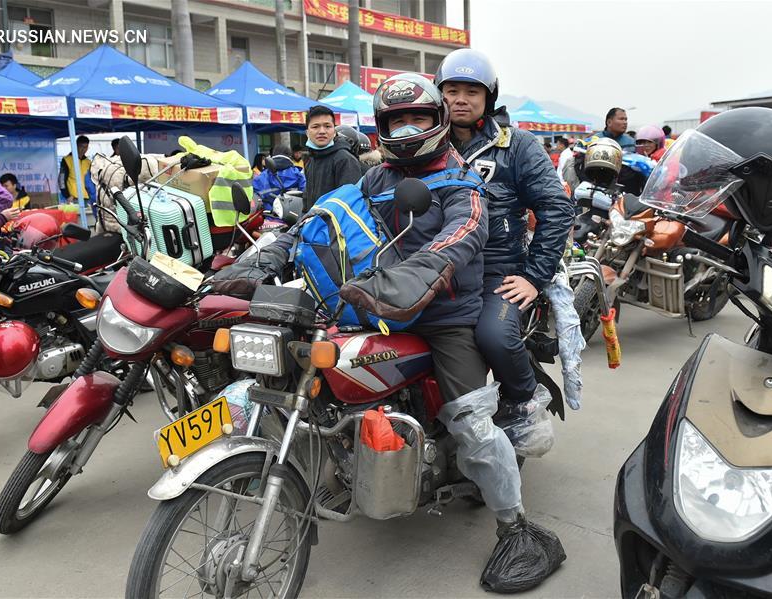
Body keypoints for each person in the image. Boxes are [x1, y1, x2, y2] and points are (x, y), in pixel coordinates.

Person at [245, 72, 563, 592]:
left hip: (443, 320)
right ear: (382, 126)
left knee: (473, 425)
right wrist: (263, 260)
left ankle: (515, 525)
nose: (409, 127)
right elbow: (320, 218)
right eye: (398, 119)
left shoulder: (464, 184)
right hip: (371, 306)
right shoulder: (374, 179)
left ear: (437, 121)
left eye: (418, 116)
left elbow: (459, 237)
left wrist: (404, 282)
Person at [437, 48, 574, 425]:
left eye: (471, 92)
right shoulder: (425, 143)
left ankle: (523, 406)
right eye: (451, 91)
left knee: (495, 338)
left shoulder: (517, 146)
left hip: (495, 275)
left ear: (488, 98)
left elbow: (557, 208)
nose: (460, 100)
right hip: (434, 272)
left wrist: (534, 276)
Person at [301, 105, 361, 211]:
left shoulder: (344, 159)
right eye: (315, 127)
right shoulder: (310, 160)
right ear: (307, 133)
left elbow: (350, 204)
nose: (322, 131)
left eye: (327, 126)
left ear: (334, 131)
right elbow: (306, 201)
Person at [251, 144, 306, 211]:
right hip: (293, 216)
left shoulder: (261, 176)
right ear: (290, 156)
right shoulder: (298, 174)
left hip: (269, 218)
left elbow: (256, 200)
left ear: (273, 155)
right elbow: (305, 196)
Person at [59, 135, 96, 214]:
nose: (83, 150)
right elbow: (61, 180)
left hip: (87, 198)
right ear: (76, 146)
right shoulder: (66, 160)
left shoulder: (88, 162)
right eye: (81, 147)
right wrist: (67, 195)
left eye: (86, 147)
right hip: (73, 198)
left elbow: (92, 180)